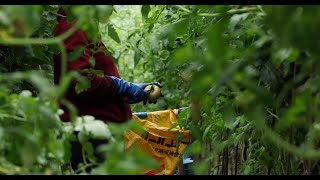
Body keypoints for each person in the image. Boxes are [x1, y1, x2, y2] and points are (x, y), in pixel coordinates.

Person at [53, 7, 163, 172]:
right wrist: (121, 87)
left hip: (99, 133)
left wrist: (124, 92)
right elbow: (82, 81)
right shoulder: (72, 28)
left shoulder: (80, 27)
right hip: (92, 135)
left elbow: (94, 80)